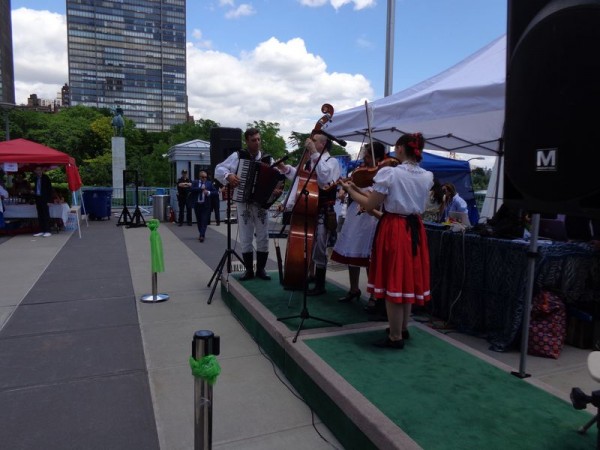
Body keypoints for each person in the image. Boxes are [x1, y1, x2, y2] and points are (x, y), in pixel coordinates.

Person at [340, 132, 434, 349]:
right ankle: (402, 328)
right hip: (415, 229)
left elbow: (371, 204)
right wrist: (355, 188)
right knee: (406, 279)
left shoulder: (391, 174)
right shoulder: (426, 176)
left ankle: (394, 337)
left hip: (395, 228)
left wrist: (349, 190)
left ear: (400, 148)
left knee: (394, 279)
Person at [215, 127, 289, 281]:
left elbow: (278, 180)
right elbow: (218, 168)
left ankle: (261, 269)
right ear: (247, 141)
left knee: (263, 236)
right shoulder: (238, 156)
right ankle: (249, 270)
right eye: (254, 140)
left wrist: (275, 190)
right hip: (244, 202)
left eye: (259, 139)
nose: (257, 142)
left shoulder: (268, 159)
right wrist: (228, 176)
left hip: (261, 204)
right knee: (246, 236)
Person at [280, 130, 341, 296]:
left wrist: (313, 152)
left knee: (320, 247)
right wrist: (286, 169)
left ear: (323, 144)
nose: (311, 143)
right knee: (308, 246)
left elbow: (324, 179)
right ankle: (308, 275)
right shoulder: (312, 160)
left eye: (315, 141)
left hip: (323, 210)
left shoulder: (332, 162)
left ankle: (320, 285)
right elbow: (302, 178)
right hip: (308, 209)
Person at [331, 142, 385, 305]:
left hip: (370, 217)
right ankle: (354, 289)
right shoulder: (360, 171)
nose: (365, 160)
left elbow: (373, 198)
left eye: (368, 156)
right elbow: (350, 184)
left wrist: (353, 189)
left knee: (369, 256)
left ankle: (374, 295)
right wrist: (343, 190)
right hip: (355, 214)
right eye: (364, 156)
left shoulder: (383, 173)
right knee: (351, 251)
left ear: (379, 157)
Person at [190, 171, 217, 242]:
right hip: (197, 204)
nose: (204, 178)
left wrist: (208, 192)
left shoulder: (209, 183)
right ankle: (201, 233)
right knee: (199, 221)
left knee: (204, 220)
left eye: (205, 177)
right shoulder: (195, 182)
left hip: (206, 205)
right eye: (203, 177)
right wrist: (200, 189)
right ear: (199, 177)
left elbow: (215, 192)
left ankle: (202, 235)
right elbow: (191, 189)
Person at [32, 166, 53, 237]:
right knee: (40, 214)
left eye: (39, 170)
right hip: (38, 198)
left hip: (45, 198)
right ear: (35, 171)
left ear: (42, 170)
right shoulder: (35, 179)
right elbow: (36, 188)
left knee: (45, 214)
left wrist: (49, 200)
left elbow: (50, 189)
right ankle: (42, 230)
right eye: (37, 170)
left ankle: (48, 230)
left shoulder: (46, 178)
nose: (38, 171)